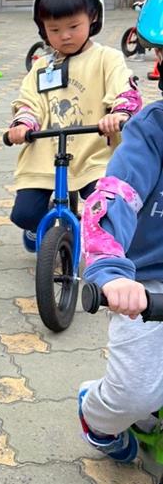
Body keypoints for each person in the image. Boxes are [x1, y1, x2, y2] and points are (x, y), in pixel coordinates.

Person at [6, 0, 141, 252]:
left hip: (94, 151)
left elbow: (124, 89)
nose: (64, 36)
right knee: (25, 213)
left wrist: (118, 114)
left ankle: (107, 252)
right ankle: (40, 227)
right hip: (47, 153)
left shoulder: (107, 59)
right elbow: (29, 101)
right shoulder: (42, 66)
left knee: (106, 207)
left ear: (93, 18)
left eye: (73, 26)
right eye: (54, 30)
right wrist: (23, 125)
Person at [79, 98, 163, 461]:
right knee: (133, 394)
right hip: (147, 282)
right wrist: (110, 267)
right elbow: (117, 195)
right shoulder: (154, 128)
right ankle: (97, 417)